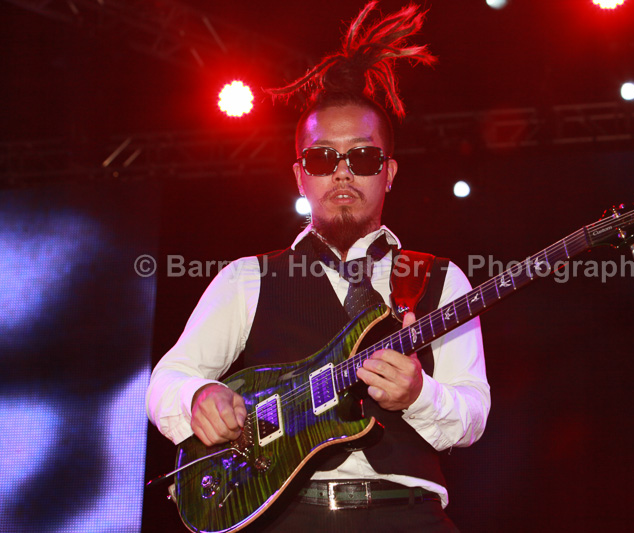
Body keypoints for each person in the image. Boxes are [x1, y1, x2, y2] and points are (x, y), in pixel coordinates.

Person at [146, 2, 490, 531]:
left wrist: (420, 395)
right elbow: (168, 378)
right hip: (286, 516)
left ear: (389, 172)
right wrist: (197, 396)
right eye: (324, 158)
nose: (343, 173)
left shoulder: (441, 280)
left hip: (409, 516)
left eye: (364, 158)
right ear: (300, 176)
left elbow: (472, 414)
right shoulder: (247, 278)